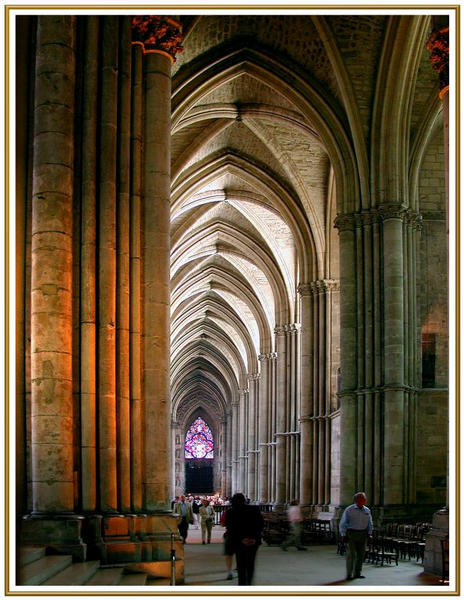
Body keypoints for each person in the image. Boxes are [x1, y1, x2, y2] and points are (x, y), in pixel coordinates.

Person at [225, 492, 264, 585]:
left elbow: (231, 528)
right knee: (251, 563)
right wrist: (253, 538)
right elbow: (260, 525)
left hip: (239, 542)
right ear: (244, 500)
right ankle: (249, 584)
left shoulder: (230, 512)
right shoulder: (255, 509)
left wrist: (242, 539)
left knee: (241, 564)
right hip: (253, 542)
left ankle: (242, 586)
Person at [339, 492, 373, 580]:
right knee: (351, 554)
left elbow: (370, 523)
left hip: (363, 534)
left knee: (361, 555)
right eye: (361, 499)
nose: (364, 500)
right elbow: (343, 523)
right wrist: (343, 534)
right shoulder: (349, 510)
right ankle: (349, 574)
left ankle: (357, 573)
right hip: (351, 534)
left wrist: (369, 533)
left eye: (364, 499)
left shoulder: (367, 510)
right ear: (356, 500)